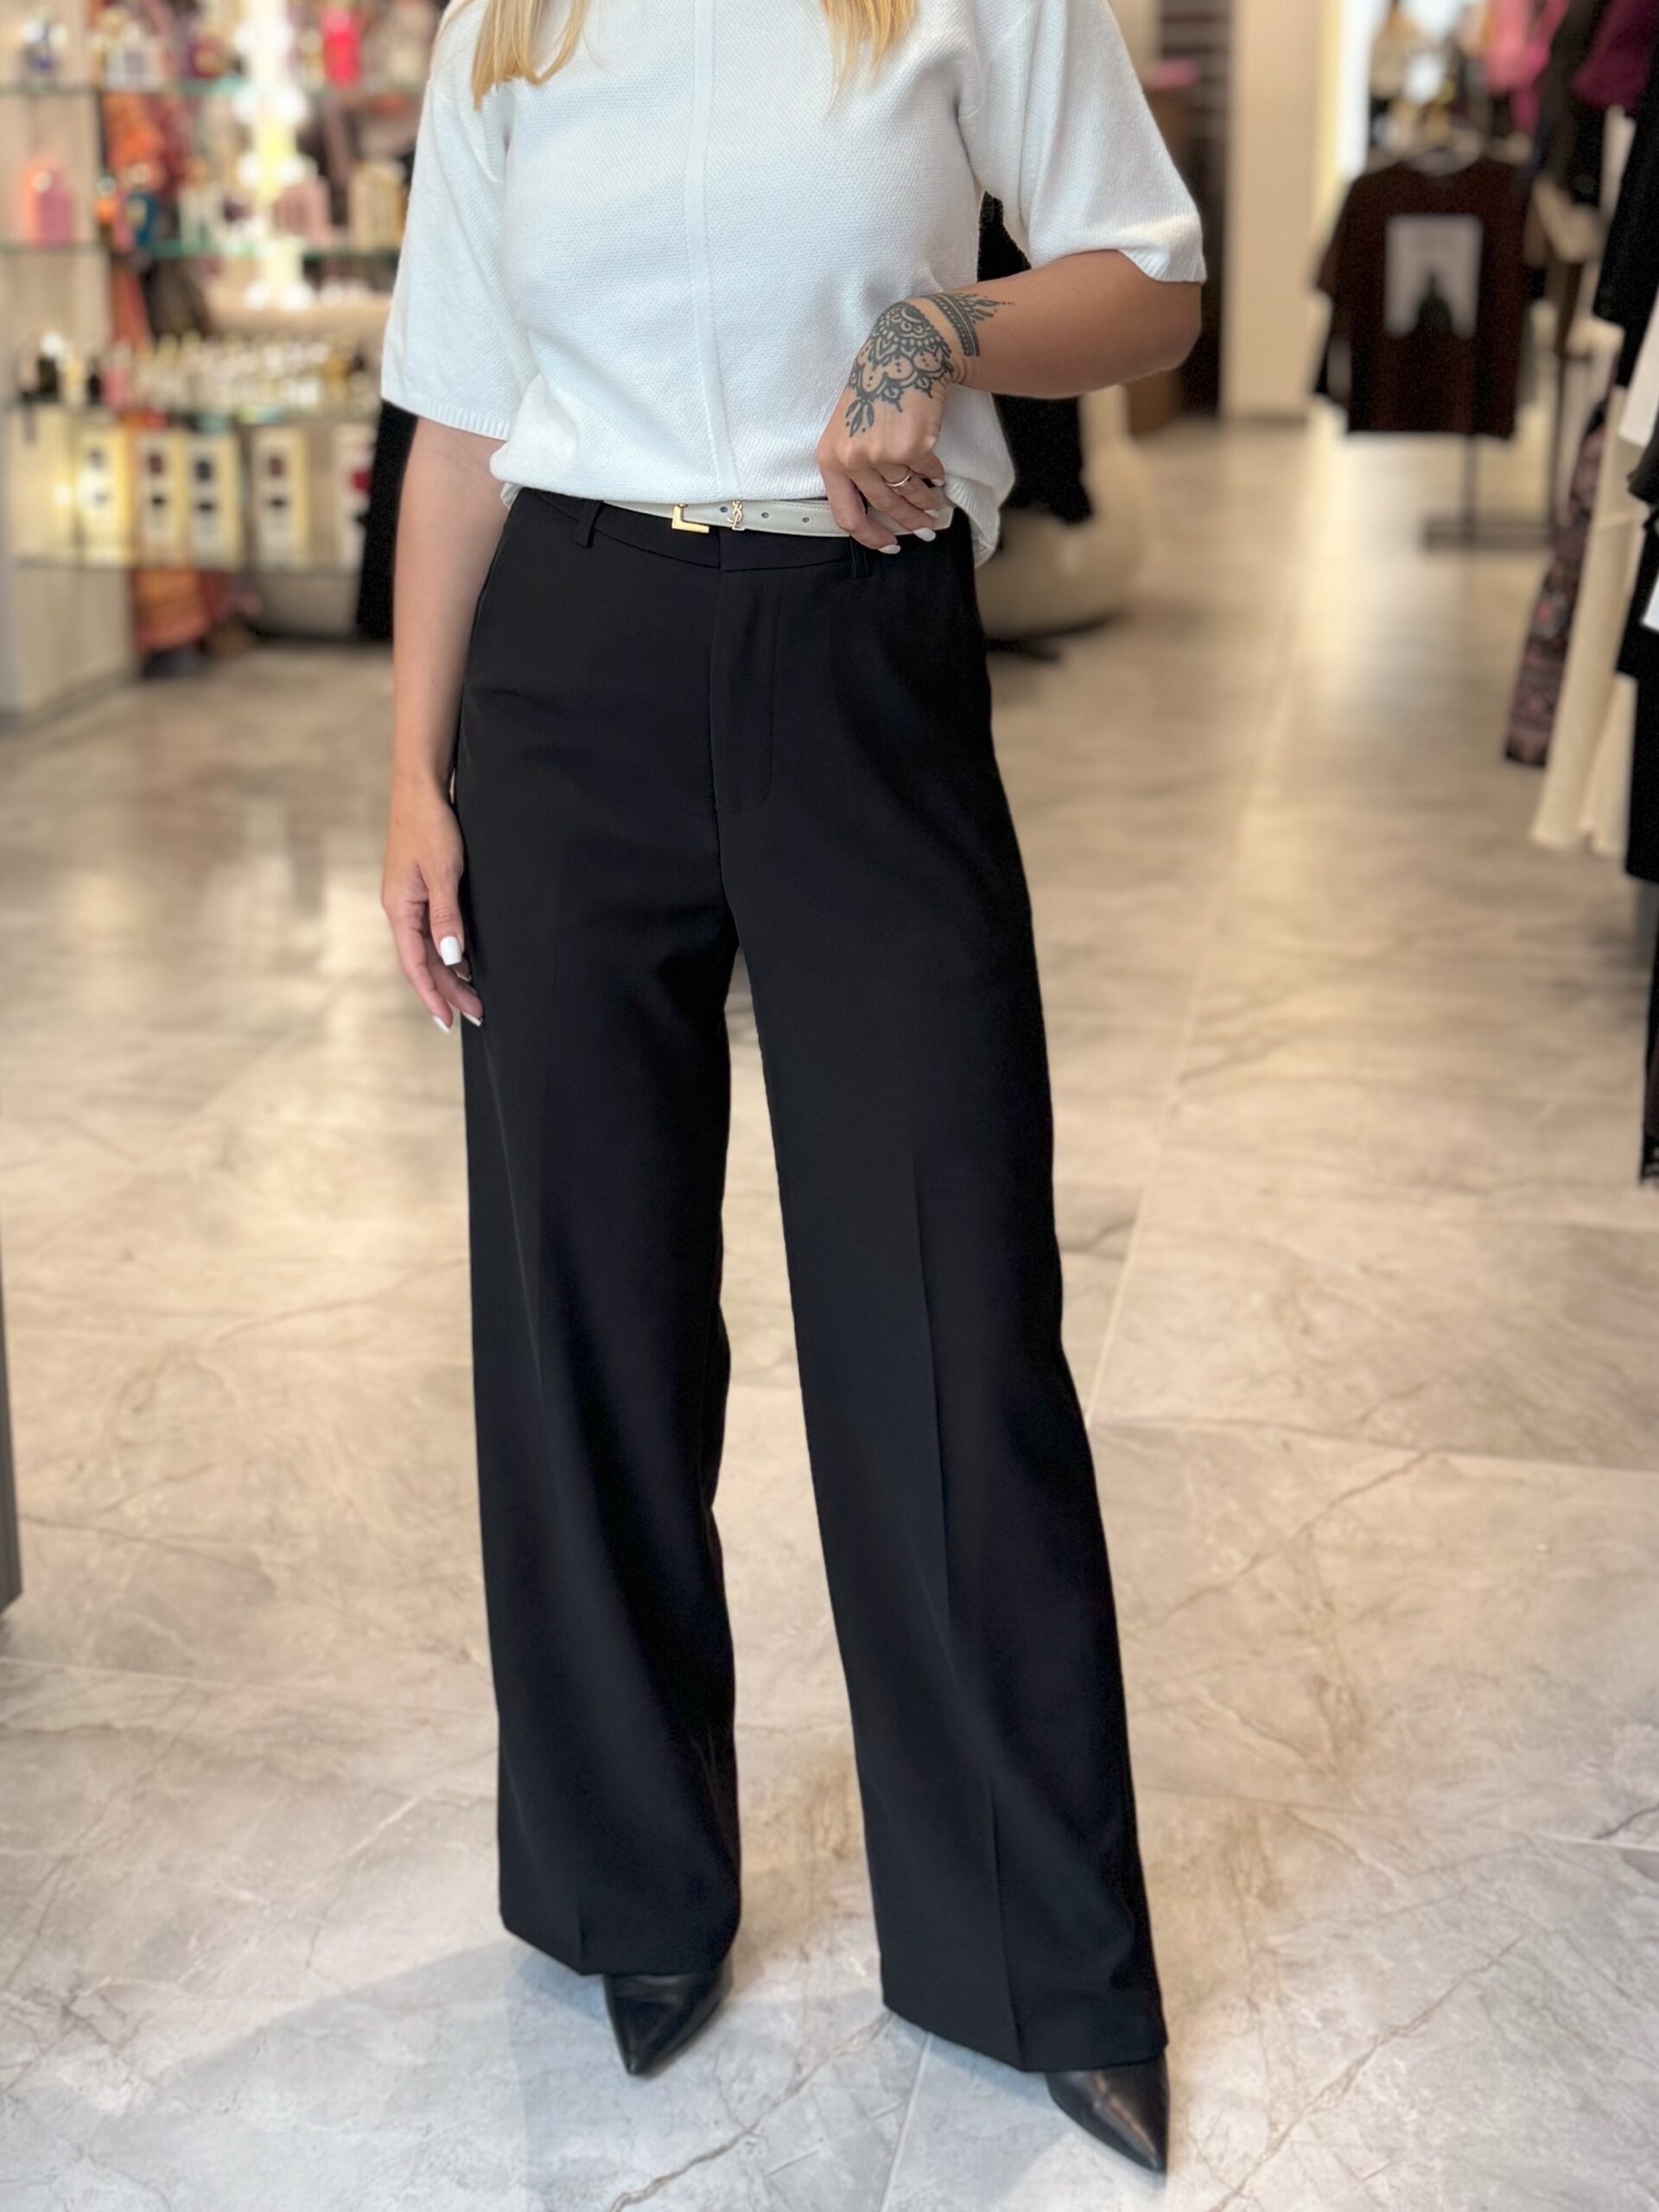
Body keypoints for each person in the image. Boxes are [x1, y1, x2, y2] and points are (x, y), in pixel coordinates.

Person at [378, 0, 1203, 2174]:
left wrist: (939, 326)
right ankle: (620, 1890)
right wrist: (410, 771)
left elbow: (1150, 279)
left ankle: (1031, 1951)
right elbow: (458, 416)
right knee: (580, 1305)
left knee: (946, 1295)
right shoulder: (508, 24)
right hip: (564, 669)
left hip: (859, 632)